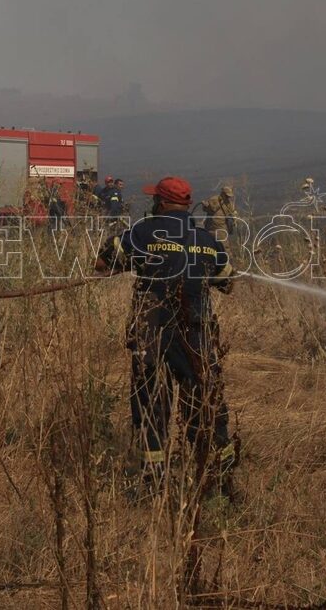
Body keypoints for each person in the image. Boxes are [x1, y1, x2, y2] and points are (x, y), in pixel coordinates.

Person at [96, 176, 237, 498]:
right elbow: (228, 282)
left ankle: (153, 484)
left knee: (151, 404)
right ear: (188, 205)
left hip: (153, 333)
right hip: (196, 335)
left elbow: (103, 264)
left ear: (159, 203)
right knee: (206, 401)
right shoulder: (207, 239)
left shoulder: (142, 232)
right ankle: (220, 477)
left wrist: (132, 264)